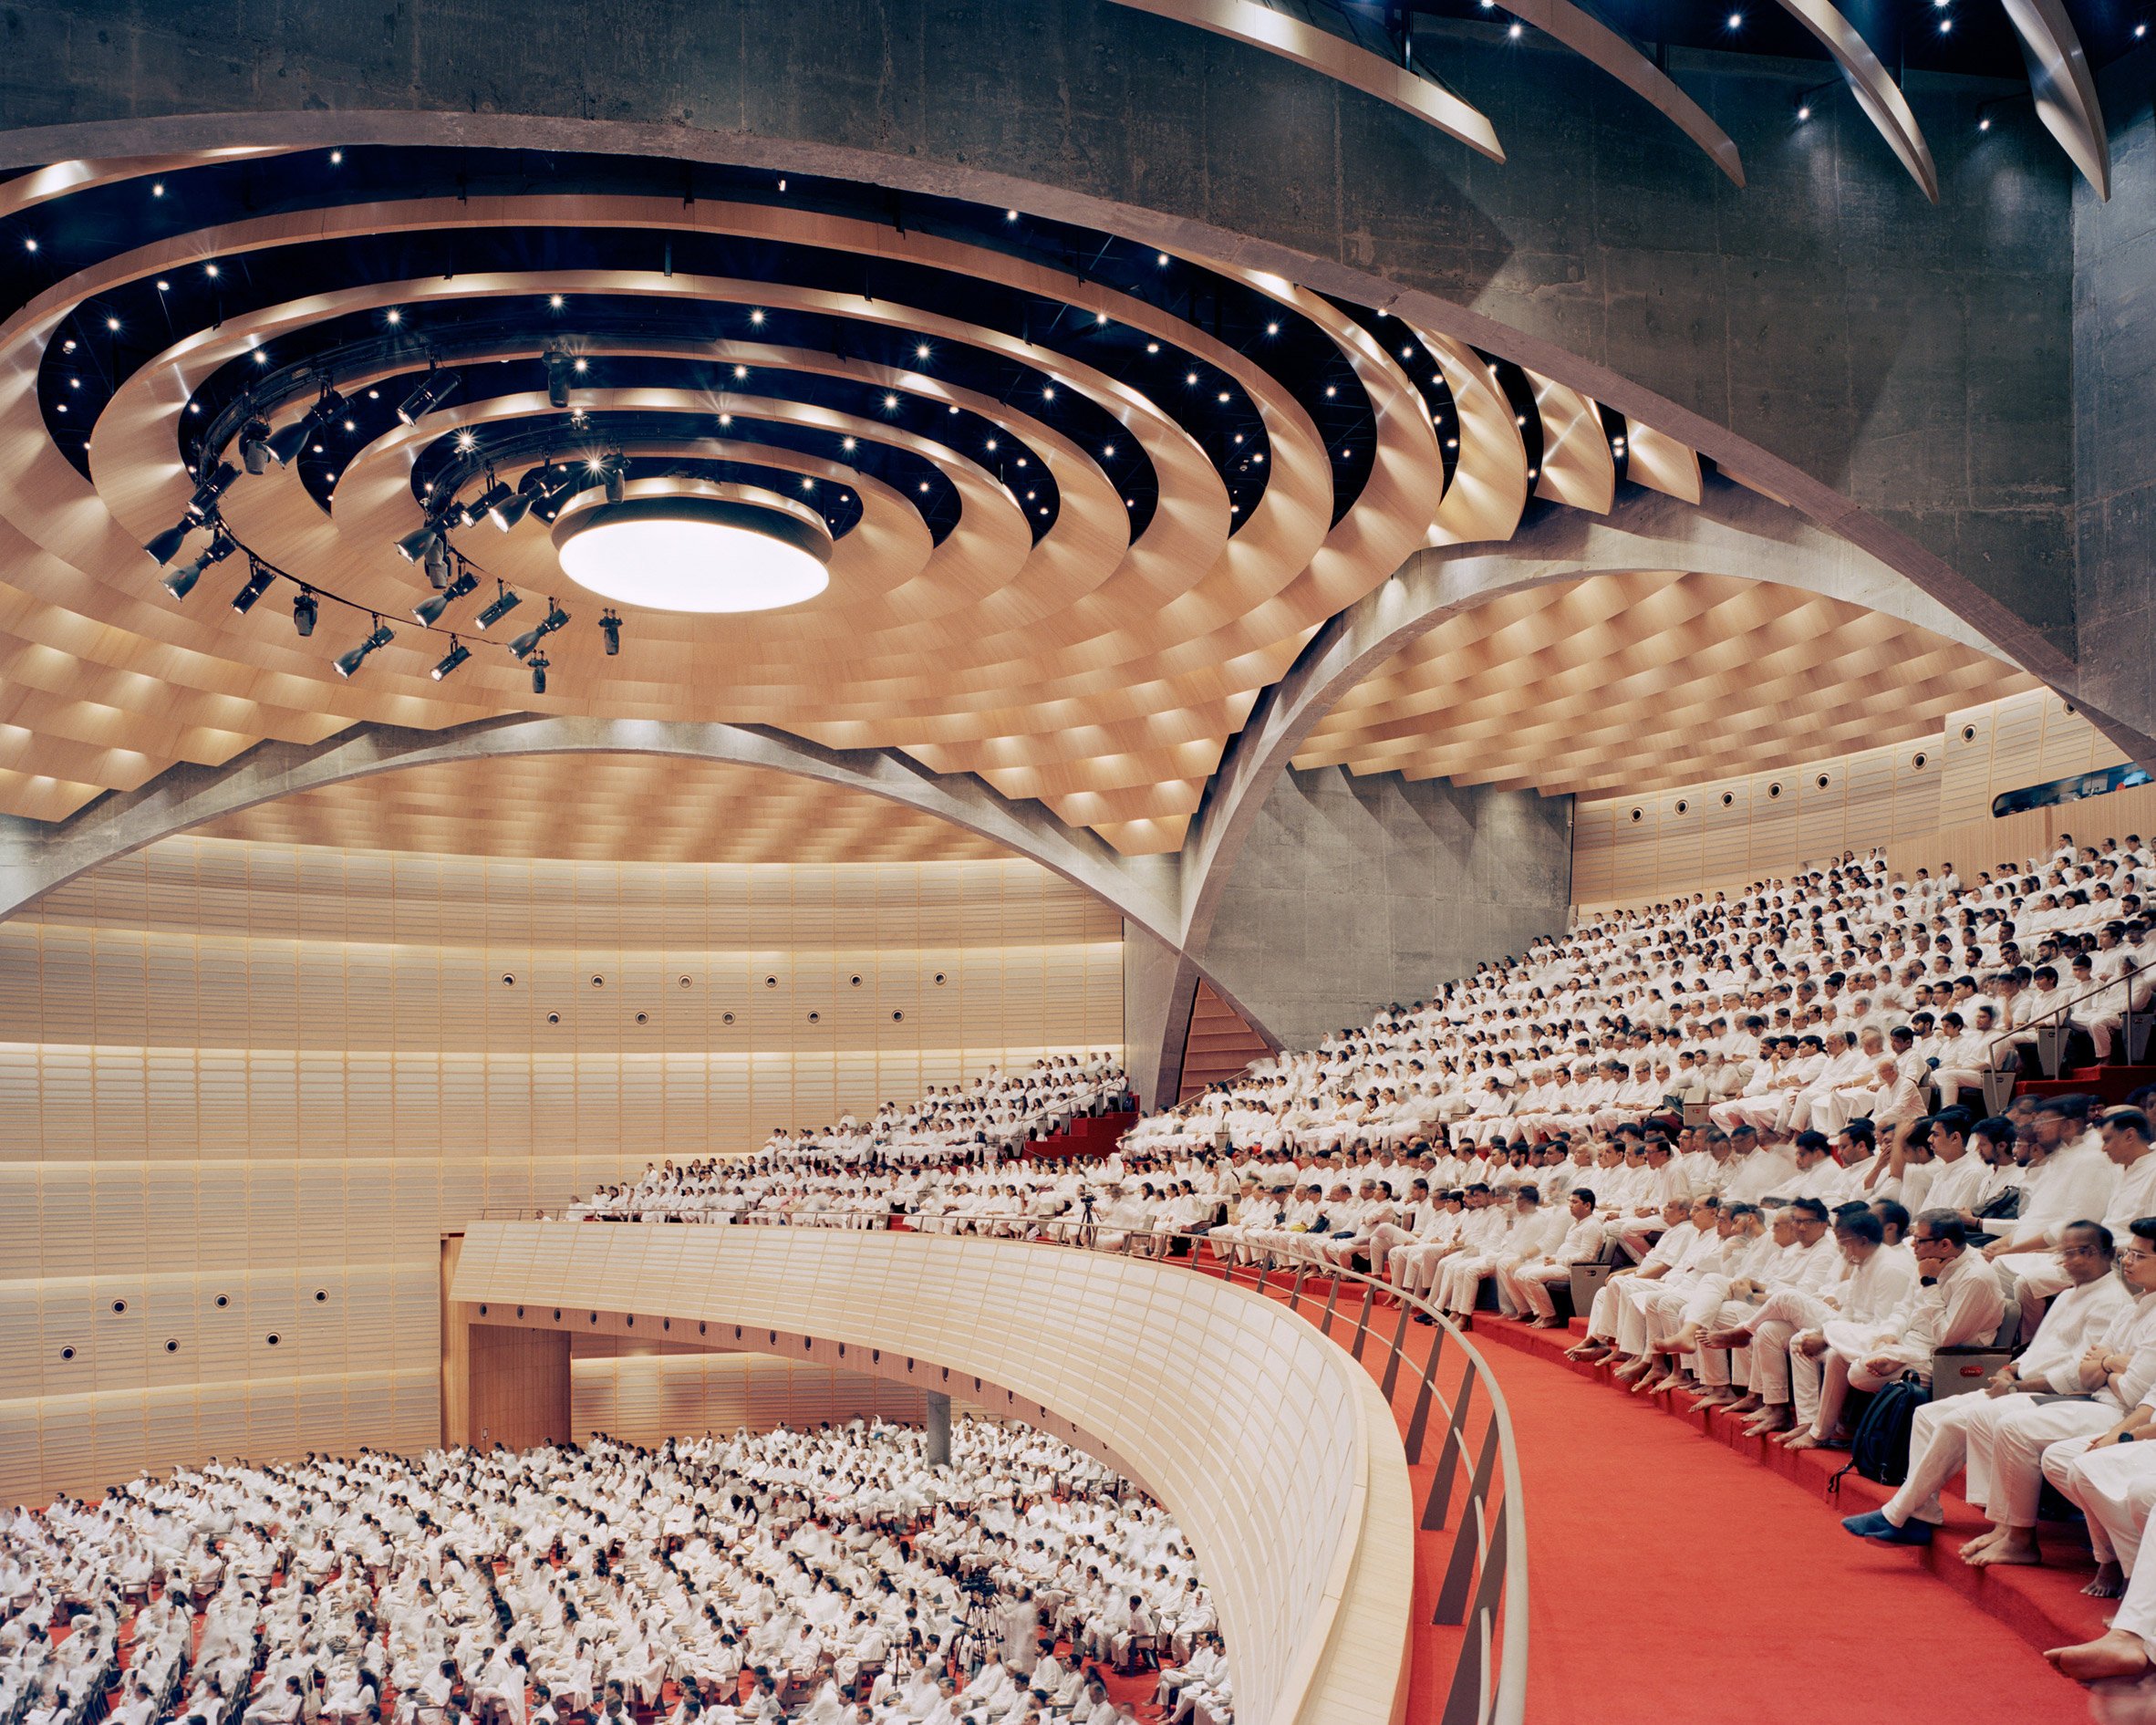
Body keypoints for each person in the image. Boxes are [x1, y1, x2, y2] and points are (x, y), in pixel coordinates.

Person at [1841, 1218, 2131, 1545]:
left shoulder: (2111, 1300)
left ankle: (1896, 1513)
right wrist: (2011, 1370)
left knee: (1953, 1422)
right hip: (2022, 1383)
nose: (2061, 1261)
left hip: (2062, 1396)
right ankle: (1920, 1515)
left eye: (2066, 1254)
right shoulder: (2069, 1293)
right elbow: (2041, 1348)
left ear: (2091, 1252)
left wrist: (2017, 1386)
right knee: (1927, 1415)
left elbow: (2082, 1373)